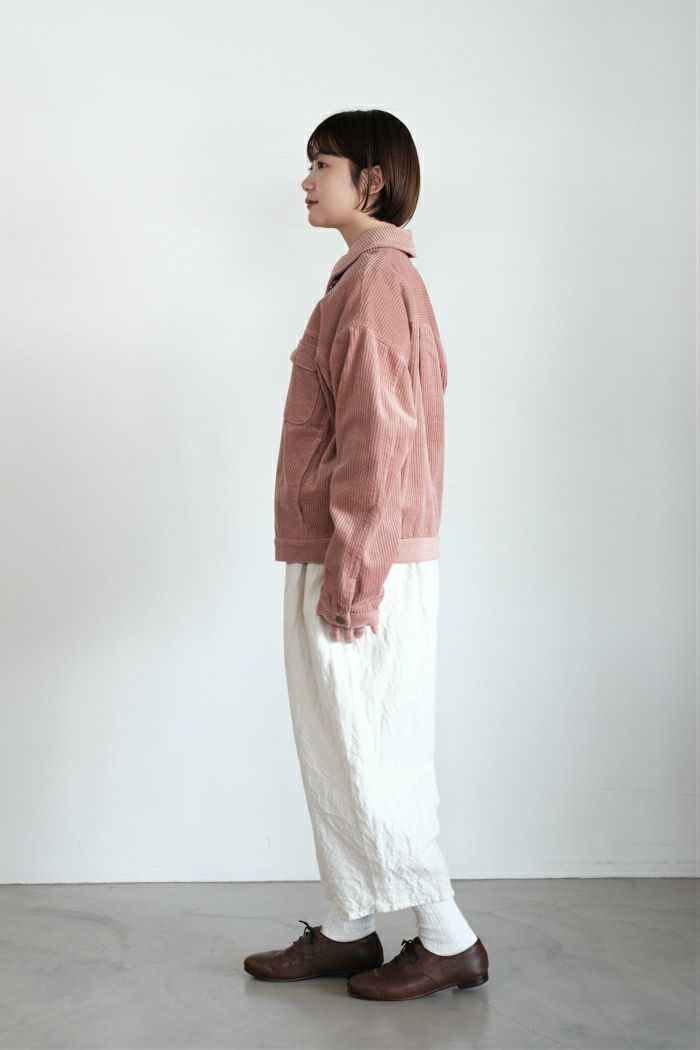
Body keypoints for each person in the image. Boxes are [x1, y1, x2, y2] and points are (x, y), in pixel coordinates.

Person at [243, 109, 490, 1001]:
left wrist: (352, 578)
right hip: (358, 549)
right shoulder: (368, 280)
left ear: (372, 181)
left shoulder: (377, 284)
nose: (306, 181)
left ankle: (449, 938)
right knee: (344, 750)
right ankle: (351, 927)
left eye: (323, 164)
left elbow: (380, 445)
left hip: (362, 558)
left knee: (372, 755)